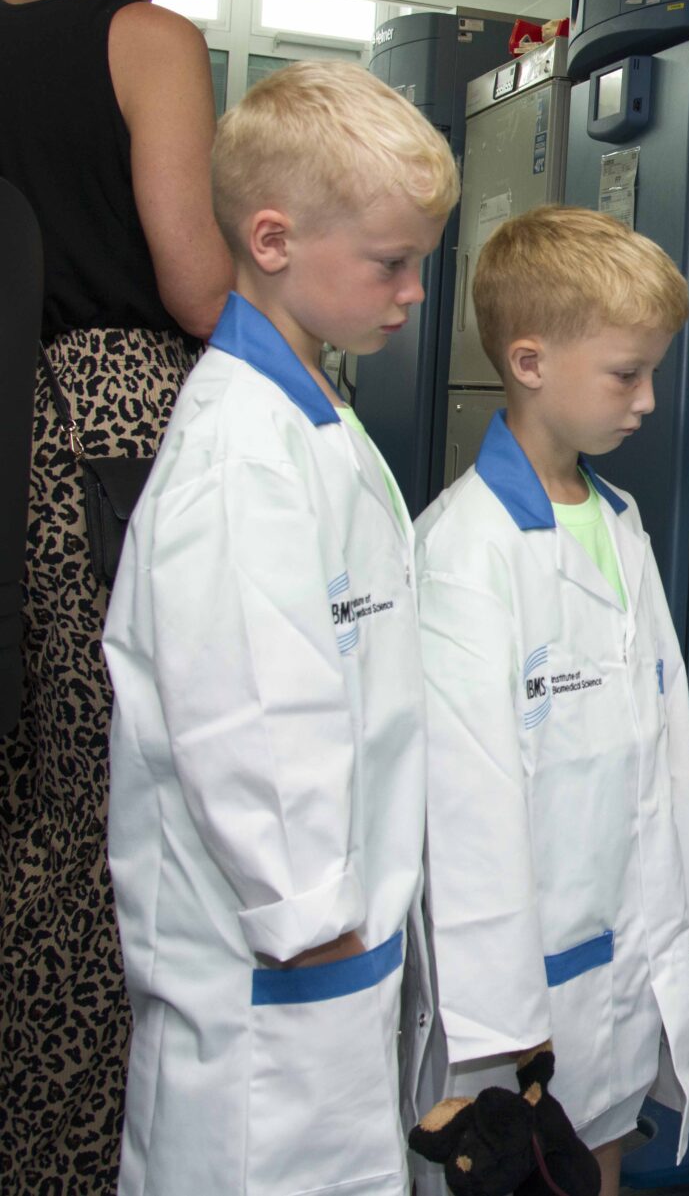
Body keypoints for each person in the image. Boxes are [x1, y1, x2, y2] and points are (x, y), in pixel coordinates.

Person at [101, 60, 455, 1194]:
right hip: (282, 961)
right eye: (391, 262)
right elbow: (250, 711)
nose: (414, 291)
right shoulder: (238, 458)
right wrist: (315, 921)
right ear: (272, 240)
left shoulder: (316, 415)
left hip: (331, 949)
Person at [408, 205, 689, 1196]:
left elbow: (656, 737)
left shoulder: (619, 519)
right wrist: (505, 1006)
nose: (649, 400)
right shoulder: (465, 552)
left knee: (602, 1131)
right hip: (522, 967)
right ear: (531, 362)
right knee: (520, 1160)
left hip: (620, 920)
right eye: (627, 374)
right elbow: (465, 805)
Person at [0, 0, 234, 1182]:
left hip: (12, 436)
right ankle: (89, 1148)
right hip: (110, 442)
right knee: (120, 811)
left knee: (25, 801)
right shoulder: (148, 42)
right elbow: (196, 283)